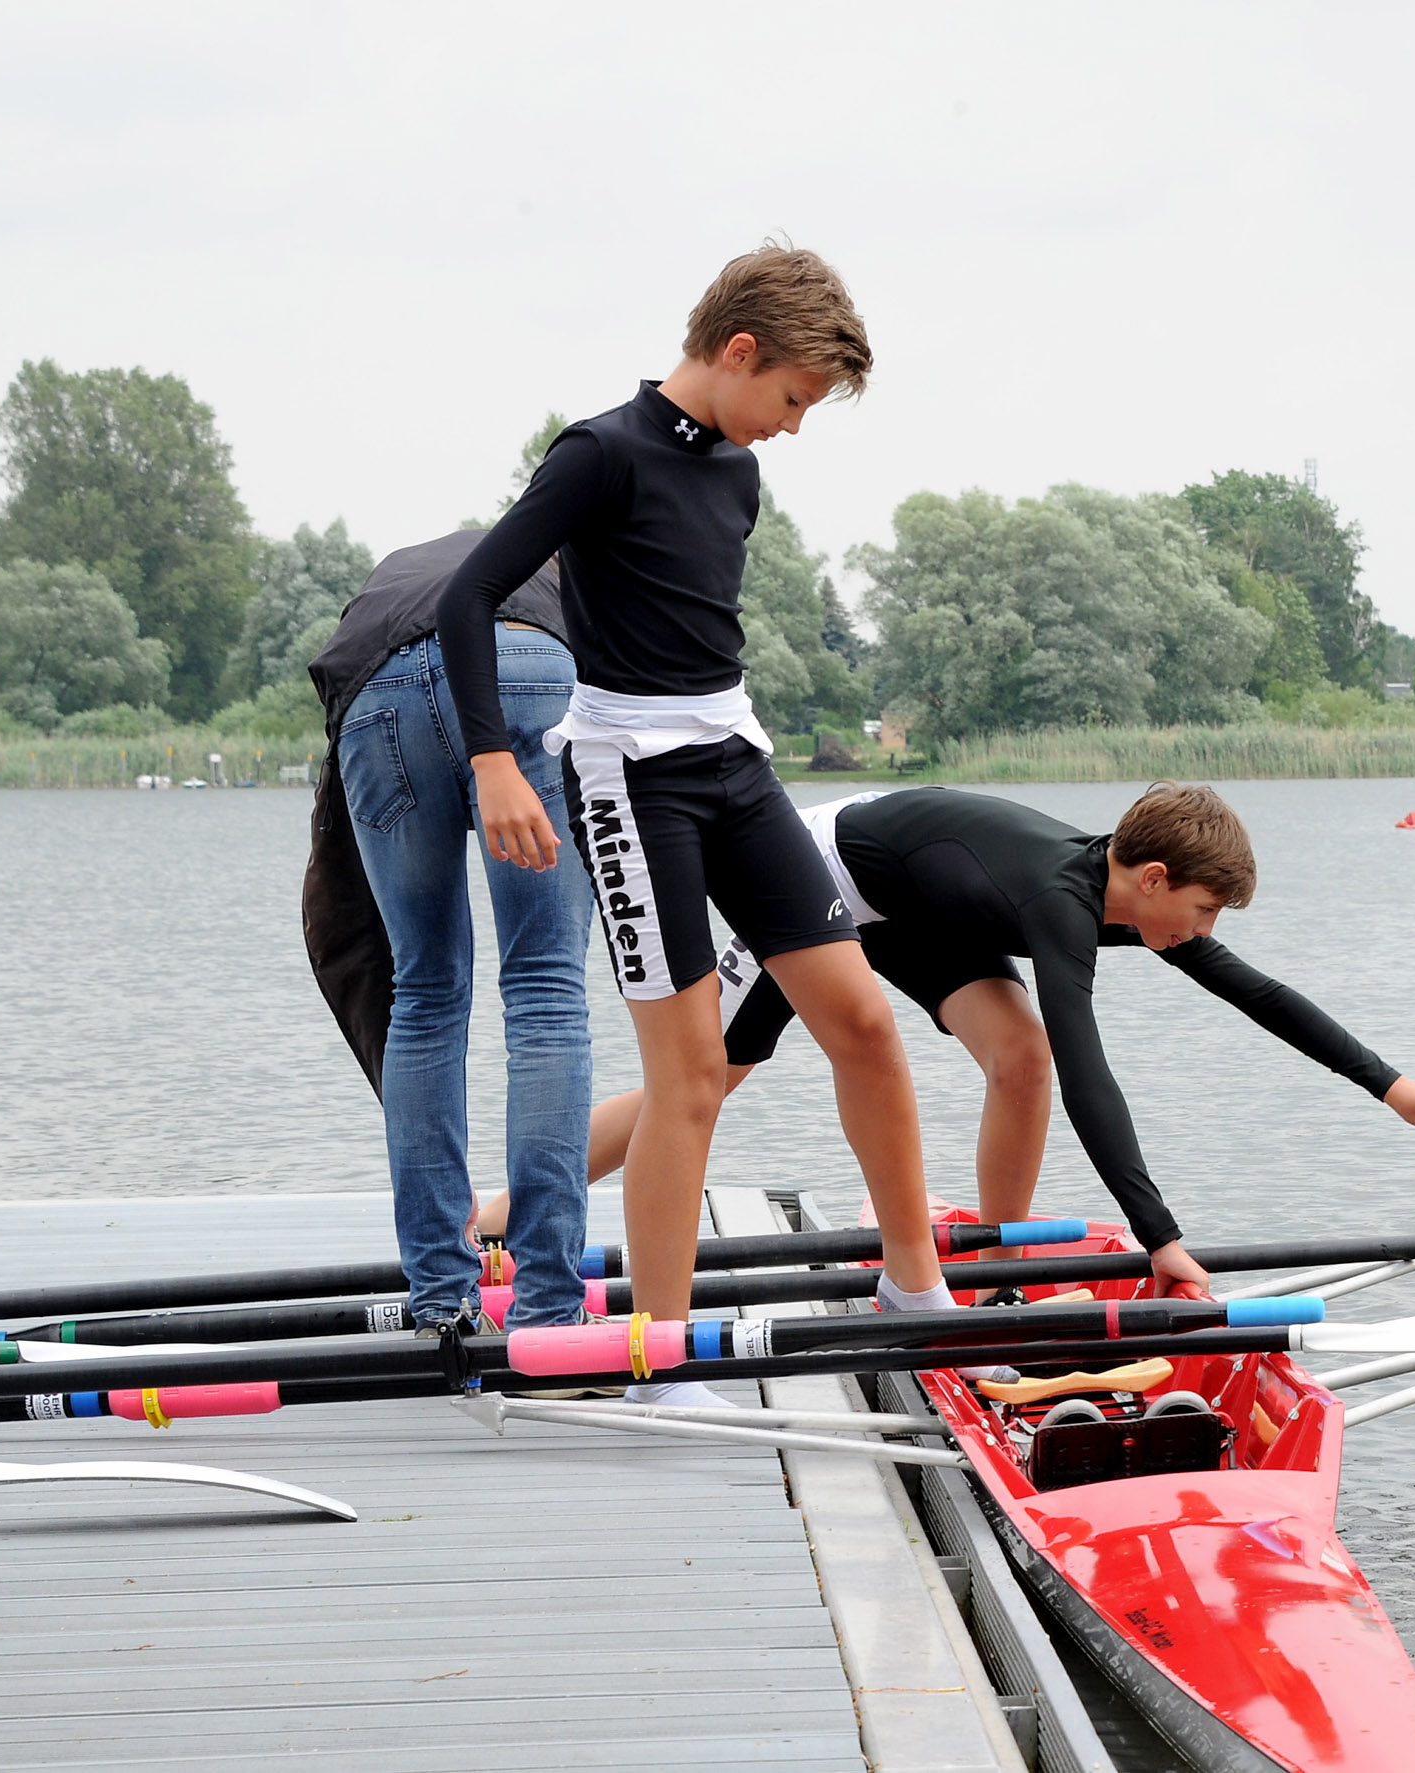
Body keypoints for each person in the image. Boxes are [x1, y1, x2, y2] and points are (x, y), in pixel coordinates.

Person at [435, 244, 950, 1406]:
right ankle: (657, 1358)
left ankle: (915, 1293)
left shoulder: (736, 476)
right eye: (794, 400)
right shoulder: (597, 455)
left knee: (864, 1023)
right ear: (738, 351)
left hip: (734, 760)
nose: (793, 426)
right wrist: (491, 764)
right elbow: (471, 594)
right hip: (628, 778)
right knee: (693, 1077)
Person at [481, 784, 1415, 1295]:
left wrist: (1388, 1083)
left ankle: (993, 1263)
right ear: (1151, 881)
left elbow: (1255, 993)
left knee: (1020, 1059)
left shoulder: (1128, 900)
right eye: (1208, 908)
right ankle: (500, 1217)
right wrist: (1159, 1237)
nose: (1209, 932)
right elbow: (1100, 1079)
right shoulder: (1062, 904)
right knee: (710, 1080)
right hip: (811, 875)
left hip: (916, 911)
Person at [301, 529, 592, 1335]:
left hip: (376, 696)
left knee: (424, 990)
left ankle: (440, 1300)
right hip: (527, 666)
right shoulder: (569, 562)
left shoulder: (402, 568)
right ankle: (547, 1311)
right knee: (545, 990)